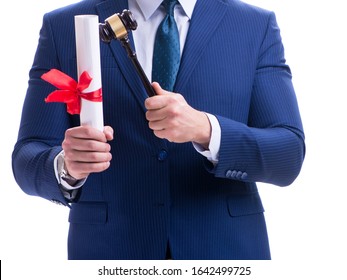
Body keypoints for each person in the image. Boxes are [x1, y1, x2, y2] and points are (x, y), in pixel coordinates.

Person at [12, 0, 305, 260]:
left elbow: (288, 153)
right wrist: (67, 166)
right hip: (109, 253)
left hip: (225, 252)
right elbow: (27, 156)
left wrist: (208, 130)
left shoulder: (255, 25)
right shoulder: (63, 25)